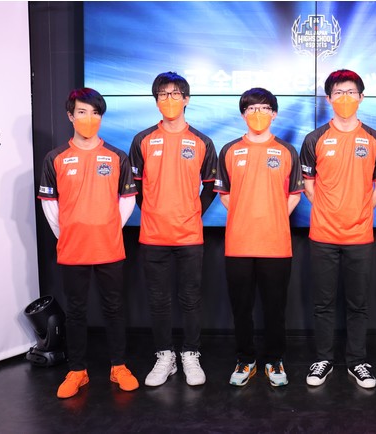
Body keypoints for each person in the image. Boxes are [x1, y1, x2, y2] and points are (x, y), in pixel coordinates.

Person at [38, 88, 139, 399]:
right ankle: (77, 371)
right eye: (82, 112)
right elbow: (50, 204)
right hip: (72, 249)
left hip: (109, 247)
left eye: (95, 113)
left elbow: (127, 199)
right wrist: (68, 233)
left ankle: (118, 366)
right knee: (76, 311)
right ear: (70, 116)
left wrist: (108, 229)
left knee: (115, 308)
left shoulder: (117, 157)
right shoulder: (55, 158)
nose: (89, 118)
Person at [300, 69, 376, 389]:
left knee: (357, 303)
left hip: (360, 235)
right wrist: (329, 210)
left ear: (361, 97)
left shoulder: (375, 139)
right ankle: (323, 358)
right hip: (323, 235)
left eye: (351, 92)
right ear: (329, 98)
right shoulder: (315, 139)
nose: (345, 98)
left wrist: (359, 211)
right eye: (338, 92)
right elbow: (308, 185)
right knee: (323, 303)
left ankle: (357, 360)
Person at [129, 72, 218, 387]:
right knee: (158, 299)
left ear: (186, 99)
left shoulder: (202, 142)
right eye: (163, 94)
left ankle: (190, 353)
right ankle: (164, 356)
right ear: (156, 101)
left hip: (189, 235)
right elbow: (135, 187)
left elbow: (211, 186)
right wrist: (153, 212)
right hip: (153, 235)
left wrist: (191, 213)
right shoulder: (142, 140)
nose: (169, 99)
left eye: (175, 93)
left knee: (190, 298)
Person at [215, 88, 304, 387]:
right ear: (243, 114)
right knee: (241, 308)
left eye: (264, 108)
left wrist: (272, 215)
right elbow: (225, 194)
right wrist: (246, 214)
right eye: (251, 109)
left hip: (275, 244)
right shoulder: (229, 150)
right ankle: (245, 359)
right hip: (239, 244)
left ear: (274, 114)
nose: (258, 114)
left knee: (275, 308)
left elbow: (294, 195)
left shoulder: (286, 151)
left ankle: (274, 360)